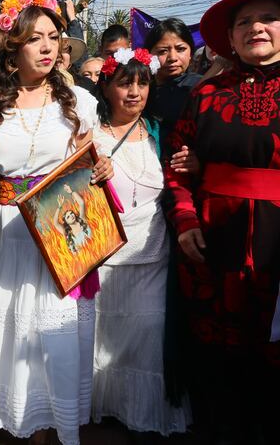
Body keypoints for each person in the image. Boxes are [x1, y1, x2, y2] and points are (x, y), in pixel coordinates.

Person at [0, 0, 113, 445]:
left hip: (58, 229)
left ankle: (52, 427)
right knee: (9, 332)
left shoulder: (79, 100)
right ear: (13, 47)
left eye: (53, 37)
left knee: (53, 331)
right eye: (35, 38)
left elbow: (89, 155)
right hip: (3, 232)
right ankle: (19, 423)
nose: (47, 47)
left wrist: (100, 164)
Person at [163, 0, 280, 444]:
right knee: (218, 363)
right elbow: (178, 168)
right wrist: (186, 220)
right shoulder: (205, 94)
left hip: (278, 243)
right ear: (230, 37)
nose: (257, 28)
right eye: (245, 22)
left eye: (269, 18)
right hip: (213, 243)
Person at [90, 47, 192, 437]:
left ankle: (143, 414)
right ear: (107, 87)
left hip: (152, 256)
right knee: (103, 337)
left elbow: (181, 179)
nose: (134, 91)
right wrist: (91, 172)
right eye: (124, 82)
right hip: (104, 257)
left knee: (148, 335)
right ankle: (105, 407)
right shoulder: (88, 135)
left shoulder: (160, 133)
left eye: (142, 82)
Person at [144, 18, 202, 149]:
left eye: (180, 49)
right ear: (149, 54)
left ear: (190, 53)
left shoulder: (201, 88)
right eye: (163, 51)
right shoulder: (140, 89)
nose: (173, 58)